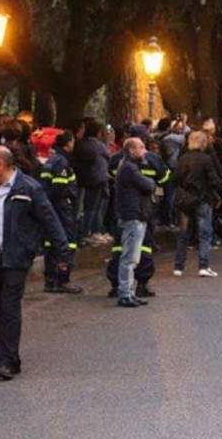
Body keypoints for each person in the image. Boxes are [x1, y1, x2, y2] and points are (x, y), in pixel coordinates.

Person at [0, 146, 72, 380]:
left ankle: (6, 361)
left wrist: (62, 254)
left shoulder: (28, 188)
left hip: (16, 257)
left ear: (0, 163)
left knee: (9, 308)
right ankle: (10, 355)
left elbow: (50, 220)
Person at [113, 138, 156, 307]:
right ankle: (125, 293)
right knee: (130, 257)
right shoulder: (130, 169)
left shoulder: (129, 167)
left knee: (132, 257)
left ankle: (129, 292)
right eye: (141, 147)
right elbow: (148, 184)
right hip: (133, 215)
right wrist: (150, 183)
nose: (145, 151)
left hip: (136, 215)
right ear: (131, 150)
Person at [38, 131, 82, 294]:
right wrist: (68, 199)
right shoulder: (61, 162)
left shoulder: (50, 160)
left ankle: (50, 280)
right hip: (62, 208)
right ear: (68, 143)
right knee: (67, 242)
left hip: (51, 207)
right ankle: (62, 279)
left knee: (51, 243)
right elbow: (60, 187)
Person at [173, 131, 222, 277]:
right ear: (203, 143)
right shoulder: (206, 159)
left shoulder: (182, 159)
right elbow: (213, 180)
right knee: (204, 233)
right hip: (202, 199)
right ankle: (203, 265)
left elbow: (175, 178)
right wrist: (218, 190)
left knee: (183, 233)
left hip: (185, 199)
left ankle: (178, 266)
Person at [73, 120, 111, 242]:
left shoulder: (79, 145)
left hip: (84, 180)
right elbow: (107, 156)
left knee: (83, 207)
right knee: (94, 207)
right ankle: (91, 231)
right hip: (97, 180)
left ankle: (86, 231)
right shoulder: (99, 146)